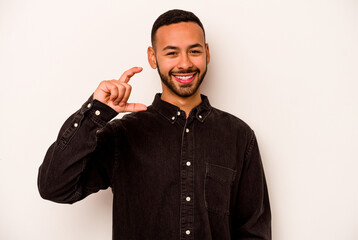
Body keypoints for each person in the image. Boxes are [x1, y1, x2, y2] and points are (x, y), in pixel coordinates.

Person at [38, 9, 271, 240]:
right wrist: (96, 113)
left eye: (194, 51)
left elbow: (253, 231)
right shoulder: (123, 135)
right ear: (152, 57)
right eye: (172, 53)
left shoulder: (239, 136)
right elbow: (54, 187)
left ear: (207, 53)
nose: (185, 63)